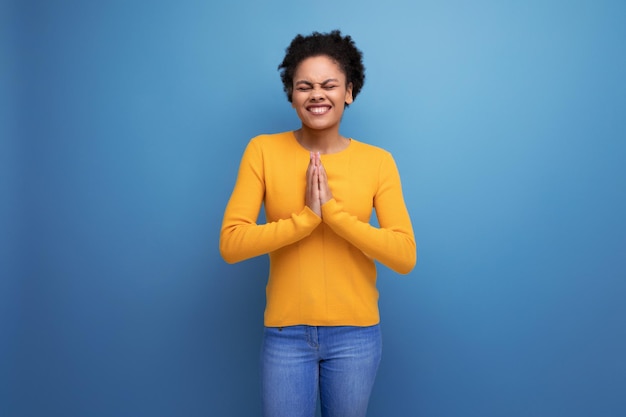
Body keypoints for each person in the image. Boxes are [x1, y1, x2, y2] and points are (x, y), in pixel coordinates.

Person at [219, 30, 416, 417]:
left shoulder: (378, 162)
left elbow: (404, 255)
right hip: (285, 335)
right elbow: (231, 243)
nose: (316, 95)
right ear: (292, 95)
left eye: (329, 85)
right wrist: (306, 219)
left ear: (349, 92)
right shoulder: (262, 151)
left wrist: (334, 215)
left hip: (356, 335)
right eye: (304, 86)